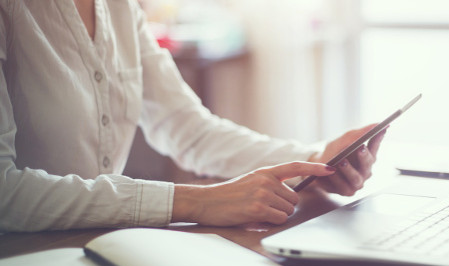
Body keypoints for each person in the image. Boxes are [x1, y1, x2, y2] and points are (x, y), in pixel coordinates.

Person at [0, 0, 384, 232]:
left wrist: (313, 164)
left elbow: (190, 130)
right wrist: (195, 202)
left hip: (98, 243)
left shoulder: (121, 9)